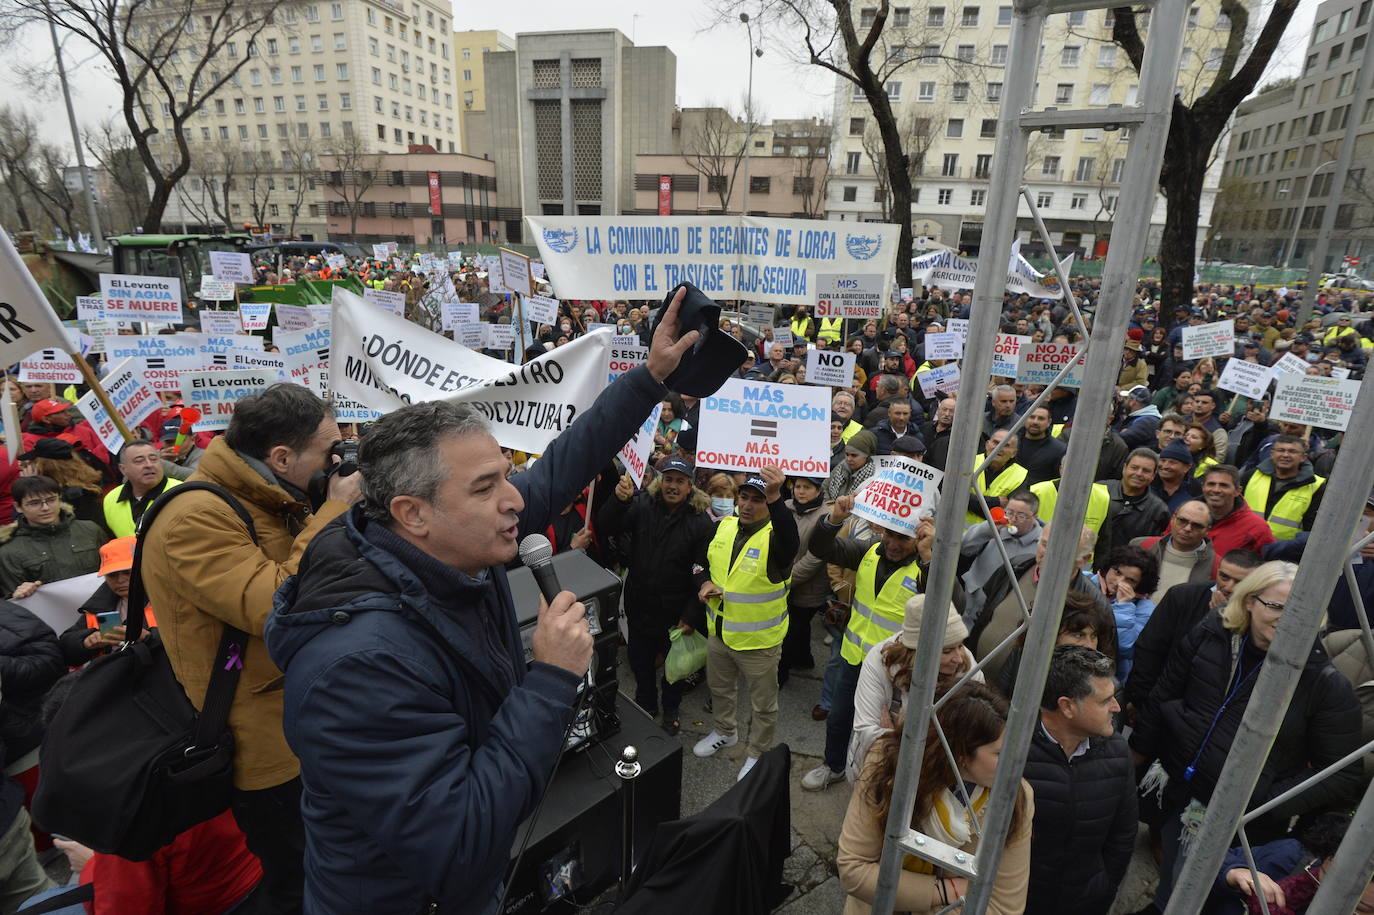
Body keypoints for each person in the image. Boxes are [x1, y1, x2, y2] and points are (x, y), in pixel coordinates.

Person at [263, 292, 700, 913]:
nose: (516, 501)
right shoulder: (355, 668)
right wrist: (549, 679)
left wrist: (649, 378)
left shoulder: (454, 539)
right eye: (487, 486)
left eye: (505, 475)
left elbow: (562, 464)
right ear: (412, 514)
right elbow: (459, 840)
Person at [141, 383, 364, 915]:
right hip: (264, 746)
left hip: (305, 720)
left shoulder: (269, 495)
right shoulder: (194, 516)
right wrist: (332, 510)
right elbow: (272, 604)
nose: (337, 460)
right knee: (302, 880)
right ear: (280, 456)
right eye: (328, 450)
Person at [1130, 561, 1363, 905]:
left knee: (1208, 895)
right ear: (1250, 601)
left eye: (1303, 609)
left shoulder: (1322, 683)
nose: (1290, 618)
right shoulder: (1211, 634)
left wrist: (1267, 801)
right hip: (1177, 790)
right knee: (1171, 879)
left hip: (1239, 827)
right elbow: (1166, 692)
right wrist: (1139, 754)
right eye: (1277, 605)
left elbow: (1343, 774)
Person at [837, 684, 1034, 915]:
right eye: (1000, 753)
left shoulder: (1016, 795)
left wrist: (914, 896)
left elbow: (1004, 908)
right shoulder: (891, 761)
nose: (1016, 763)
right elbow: (853, 870)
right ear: (960, 755)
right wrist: (947, 890)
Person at [801, 494, 933, 792]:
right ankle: (832, 766)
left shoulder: (926, 569)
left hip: (895, 672)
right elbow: (821, 548)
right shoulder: (868, 551)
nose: (894, 543)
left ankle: (878, 784)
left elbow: (950, 601)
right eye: (889, 534)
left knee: (885, 733)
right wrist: (834, 520)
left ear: (919, 537)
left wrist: (929, 559)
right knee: (839, 718)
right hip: (853, 658)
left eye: (904, 537)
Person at [689, 465, 797, 782]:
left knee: (763, 706)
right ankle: (726, 731)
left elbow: (790, 540)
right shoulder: (723, 527)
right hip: (719, 633)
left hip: (759, 644)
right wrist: (704, 583)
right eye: (744, 497)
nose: (748, 505)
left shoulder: (776, 539)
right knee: (720, 689)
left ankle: (757, 753)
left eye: (757, 500)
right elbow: (698, 563)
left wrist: (777, 497)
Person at [596, 457, 713, 735]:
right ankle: (645, 700)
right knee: (640, 661)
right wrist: (618, 500)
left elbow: (704, 571)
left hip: (675, 612)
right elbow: (605, 526)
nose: (673, 486)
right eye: (668, 479)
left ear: (690, 487)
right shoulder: (641, 505)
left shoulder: (701, 523)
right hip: (639, 604)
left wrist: (691, 615)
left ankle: (671, 707)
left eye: (679, 481)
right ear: (660, 482)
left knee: (675, 668)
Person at [1022, 646, 1136, 915]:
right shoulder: (1012, 751)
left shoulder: (1117, 752)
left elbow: (1123, 835)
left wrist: (1103, 890)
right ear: (1067, 706)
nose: (1116, 707)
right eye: (1104, 700)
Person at [846, 594, 977, 782]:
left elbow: (973, 736)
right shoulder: (878, 661)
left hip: (933, 782)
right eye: (946, 651)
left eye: (961, 645)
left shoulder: (968, 666)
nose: (958, 658)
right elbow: (867, 732)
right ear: (917, 652)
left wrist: (895, 733)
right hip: (878, 774)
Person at [1124, 548, 1264, 717]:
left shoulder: (1259, 615)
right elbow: (1150, 650)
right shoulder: (1182, 596)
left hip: (1211, 711)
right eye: (1224, 577)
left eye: (1240, 582)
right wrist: (1140, 699)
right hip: (1162, 703)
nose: (1228, 587)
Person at [0, 476, 108, 600]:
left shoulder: (90, 530)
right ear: (18, 507)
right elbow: (13, 605)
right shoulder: (9, 551)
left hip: (100, 609)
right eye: (35, 503)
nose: (45, 508)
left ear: (59, 499)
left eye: (51, 500)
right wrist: (17, 594)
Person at [57, 536, 147, 667]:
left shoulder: (168, 599)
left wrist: (148, 638)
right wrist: (86, 642)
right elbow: (66, 647)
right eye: (112, 575)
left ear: (144, 569)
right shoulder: (98, 606)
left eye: (127, 572)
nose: (120, 580)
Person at [959, 490, 1043, 626]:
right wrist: (988, 529)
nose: (1013, 519)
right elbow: (963, 547)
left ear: (1035, 517)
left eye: (1021, 515)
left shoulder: (1042, 543)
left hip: (1007, 611)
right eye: (1009, 512)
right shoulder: (994, 529)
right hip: (973, 604)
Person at [779, 476, 829, 685]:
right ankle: (803, 659)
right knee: (798, 627)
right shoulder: (785, 507)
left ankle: (779, 676)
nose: (800, 491)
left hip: (808, 587)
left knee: (789, 631)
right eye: (797, 486)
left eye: (807, 487)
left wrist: (787, 579)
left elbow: (815, 557)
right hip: (784, 580)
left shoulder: (826, 516)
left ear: (818, 491)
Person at [1088, 544, 1159, 679]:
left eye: (1130, 580)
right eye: (1117, 572)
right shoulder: (1086, 581)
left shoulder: (1145, 609)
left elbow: (1125, 649)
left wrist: (1124, 606)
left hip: (1108, 673)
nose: (1119, 582)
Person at [1239, 434, 1326, 540]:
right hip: (1246, 544)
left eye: (1292, 451)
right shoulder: (1251, 475)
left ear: (1303, 457)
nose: (1285, 455)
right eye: (1281, 450)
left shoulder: (1316, 486)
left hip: (1285, 553)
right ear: (1272, 454)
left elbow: (1311, 528)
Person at [1097, 447, 1170, 561]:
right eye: (1134, 468)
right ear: (1124, 468)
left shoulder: (1159, 510)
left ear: (1153, 475)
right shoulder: (1099, 490)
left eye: (1146, 471)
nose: (1139, 473)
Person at [1133, 499, 1218, 594]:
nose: (1187, 528)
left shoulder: (1217, 566)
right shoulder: (1142, 545)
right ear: (1173, 519)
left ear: (1207, 530)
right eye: (1182, 521)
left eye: (1197, 525)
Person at [102, 440, 182, 538]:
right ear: (123, 469)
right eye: (139, 461)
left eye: (153, 459)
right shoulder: (111, 499)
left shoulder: (181, 493)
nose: (149, 465)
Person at [16, 438, 104, 526]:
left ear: (47, 466)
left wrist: (30, 486)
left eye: (33, 462)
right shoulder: (85, 482)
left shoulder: (73, 495)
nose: (28, 466)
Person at [1199, 465, 1275, 556]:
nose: (1216, 490)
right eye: (1211, 484)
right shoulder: (1185, 515)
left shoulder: (1257, 528)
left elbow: (1268, 566)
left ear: (1237, 491)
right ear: (1203, 487)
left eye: (1224, 485)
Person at [965, 430, 1027, 525]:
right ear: (987, 444)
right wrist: (996, 502)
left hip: (993, 536)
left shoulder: (1021, 475)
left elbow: (1010, 512)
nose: (999, 448)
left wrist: (972, 502)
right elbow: (957, 497)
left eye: (1006, 445)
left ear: (1014, 453)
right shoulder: (968, 462)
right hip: (959, 532)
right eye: (996, 442)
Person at [1015, 405, 1066, 487]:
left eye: (1041, 419)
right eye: (1032, 417)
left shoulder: (1059, 450)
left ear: (1049, 422)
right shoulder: (1010, 443)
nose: (1035, 422)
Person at [824, 430, 877, 501]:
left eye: (854, 455)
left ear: (866, 456)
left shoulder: (873, 476)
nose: (848, 459)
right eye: (847, 454)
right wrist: (829, 506)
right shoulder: (842, 465)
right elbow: (825, 486)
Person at [1152, 440, 1196, 511]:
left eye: (1172, 462)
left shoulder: (1195, 491)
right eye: (1163, 460)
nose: (1165, 466)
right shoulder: (1146, 484)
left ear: (1187, 468)